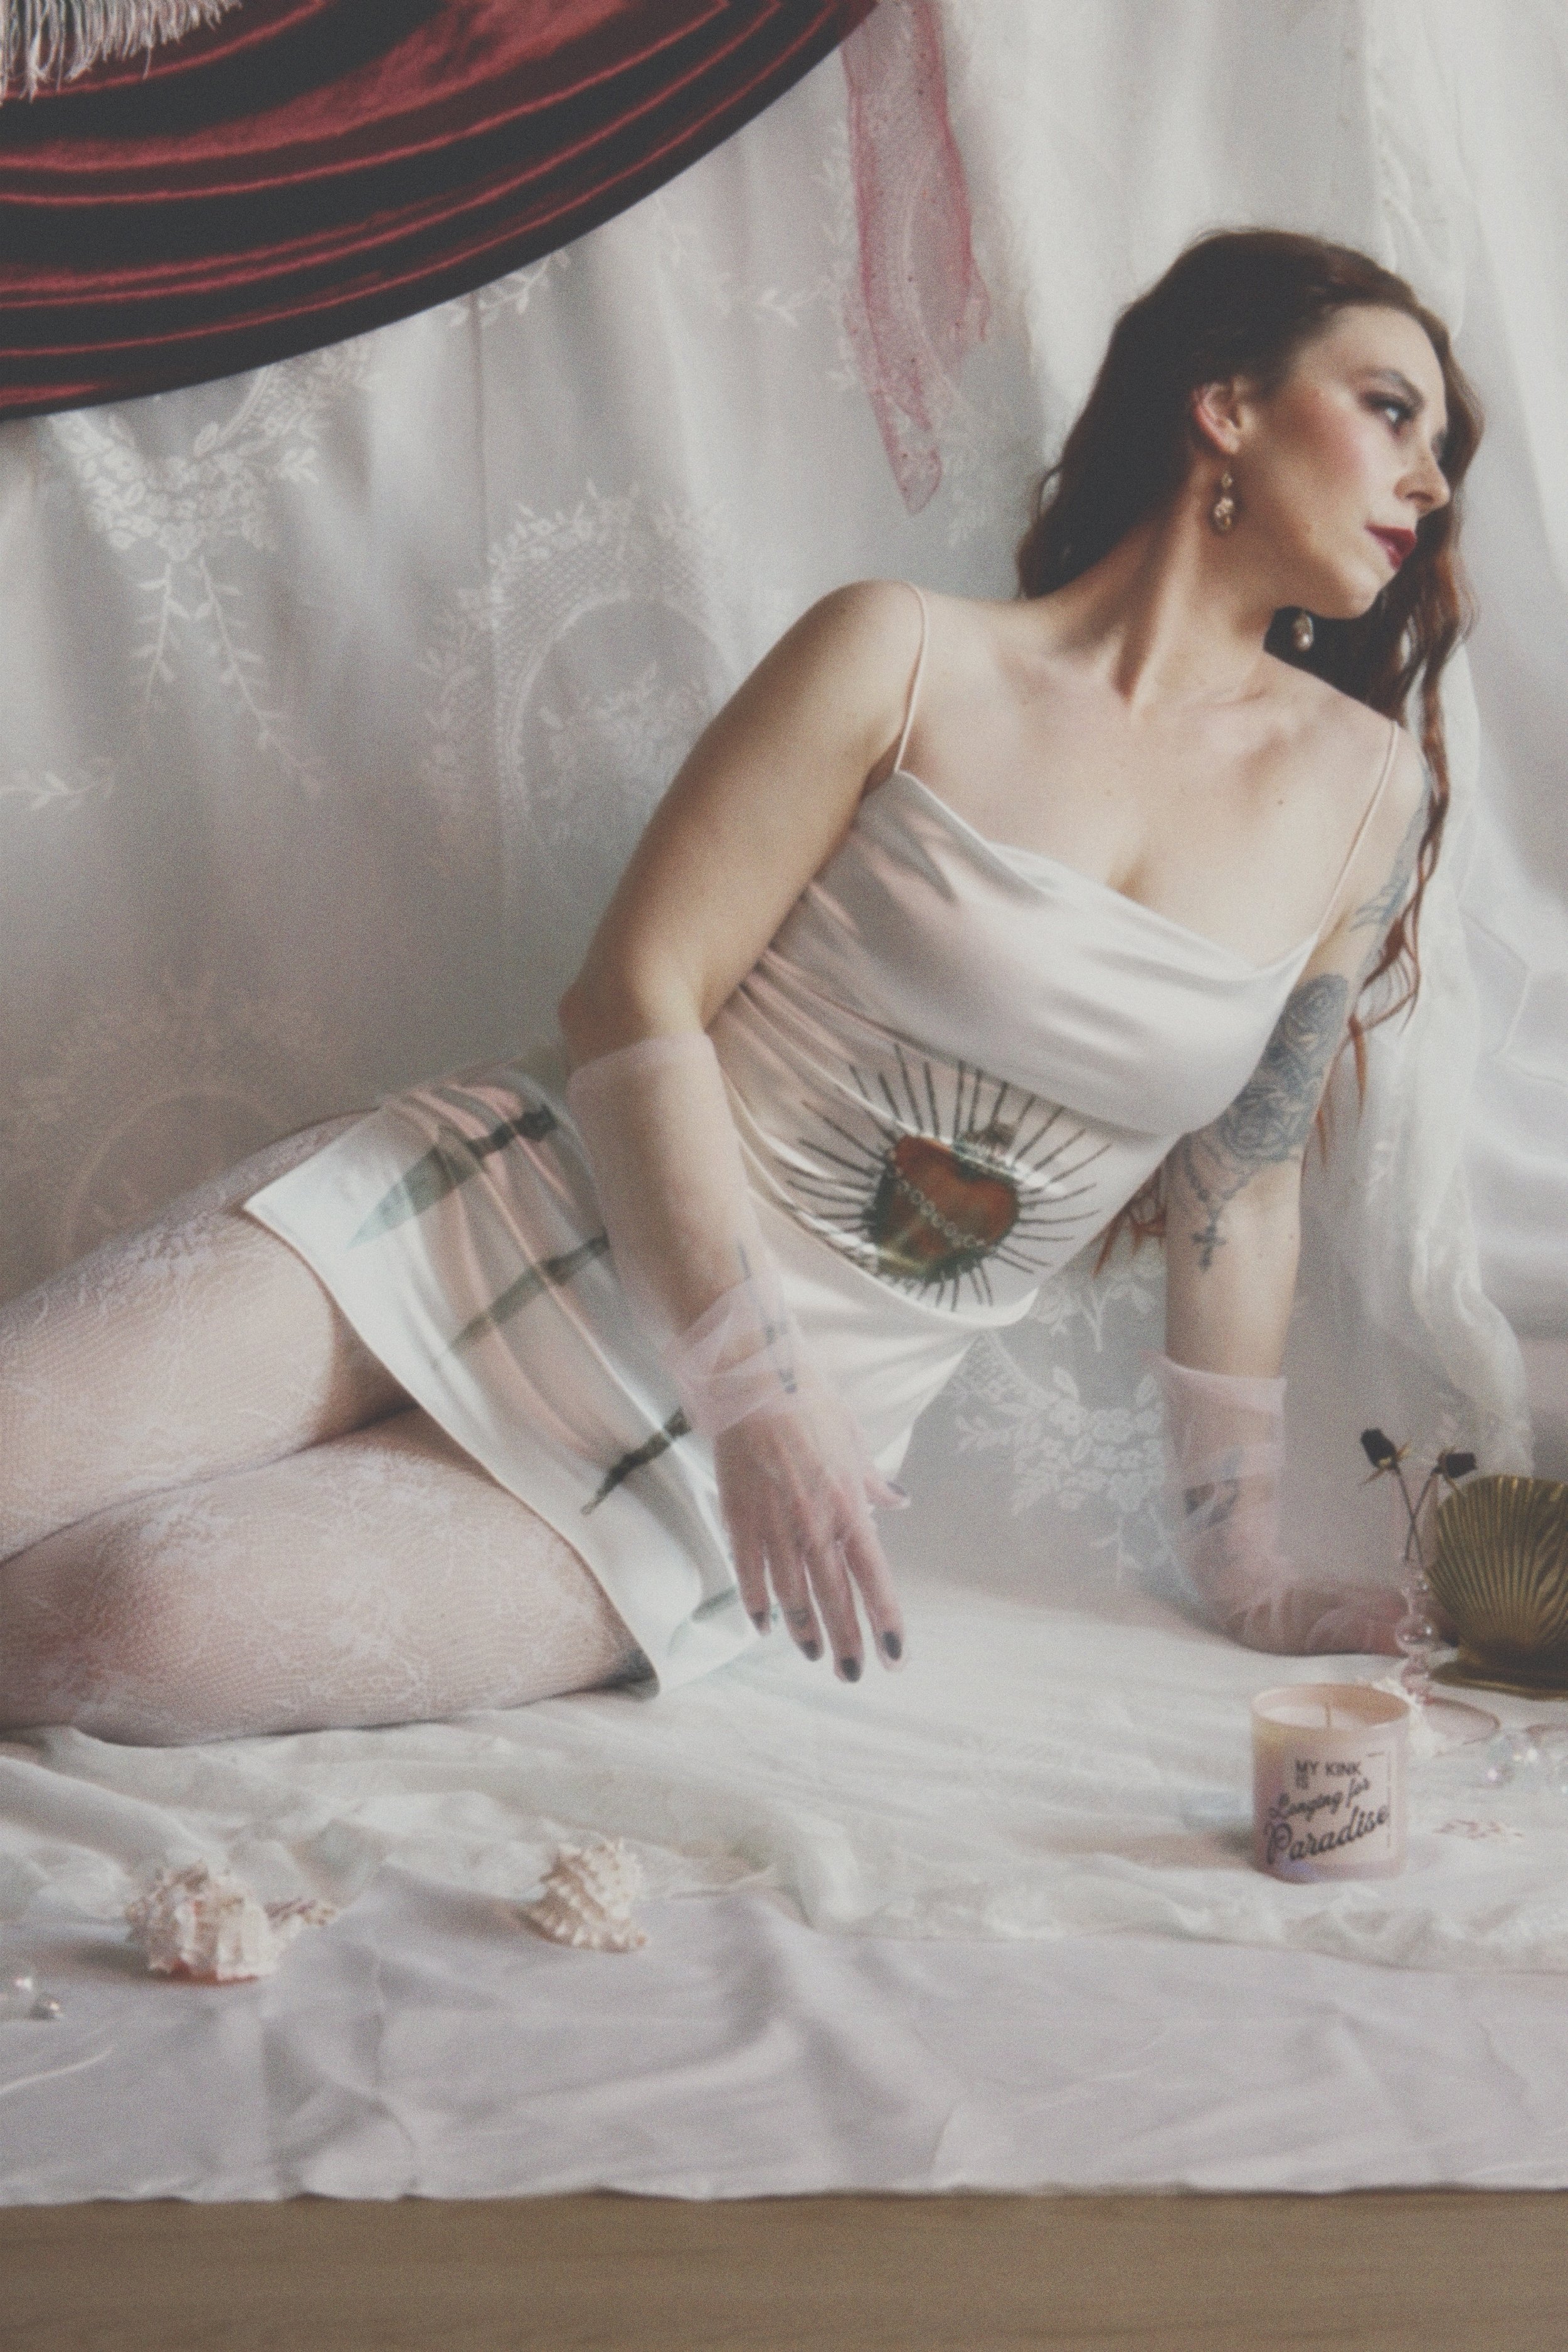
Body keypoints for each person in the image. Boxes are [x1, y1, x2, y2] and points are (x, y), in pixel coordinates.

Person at [0, 230, 1483, 1745]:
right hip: (495, 1225)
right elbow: (632, 994)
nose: (1428, 482)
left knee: (107, 1624)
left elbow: (1242, 1185)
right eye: (1389, 410)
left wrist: (1243, 1570)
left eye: (1438, 446)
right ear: (1224, 406)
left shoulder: (1365, 798)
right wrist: (747, 1380)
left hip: (718, 1477)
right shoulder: (900, 653)